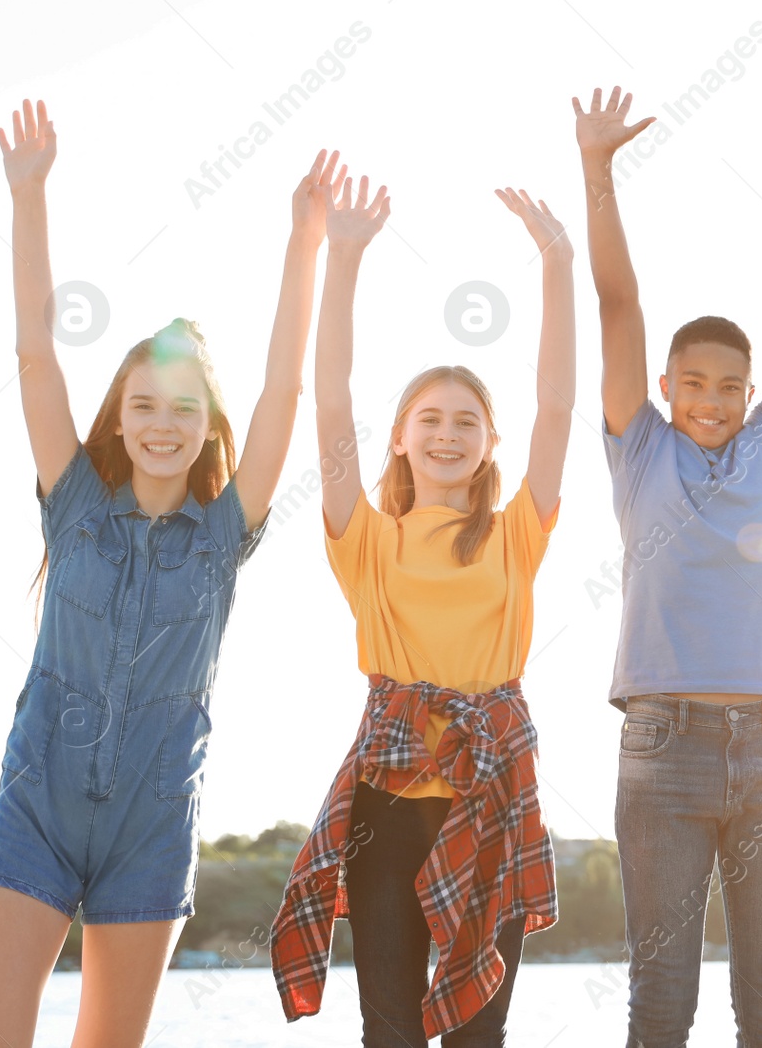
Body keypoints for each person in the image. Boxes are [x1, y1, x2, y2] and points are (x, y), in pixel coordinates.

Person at [0, 99, 327, 1048]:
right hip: (35, 810)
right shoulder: (75, 502)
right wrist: (29, 195)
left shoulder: (220, 535)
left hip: (150, 830)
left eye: (185, 406)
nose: (164, 423)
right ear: (119, 416)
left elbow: (284, 388)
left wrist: (305, 241)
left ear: (208, 423)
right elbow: (36, 355)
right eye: (144, 403)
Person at [574, 83, 762, 1046]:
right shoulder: (640, 450)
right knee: (663, 997)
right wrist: (598, 170)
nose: (712, 400)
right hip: (664, 747)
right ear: (664, 386)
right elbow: (618, 301)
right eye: (693, 383)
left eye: (729, 386)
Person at [269, 176, 574, 1047]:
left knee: (479, 1033)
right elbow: (329, 403)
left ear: (489, 446)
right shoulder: (365, 539)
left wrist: (556, 264)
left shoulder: (517, 534)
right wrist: (347, 257)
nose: (447, 432)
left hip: (494, 789)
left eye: (467, 421)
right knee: (391, 1029)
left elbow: (557, 405)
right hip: (388, 802)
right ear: (400, 433)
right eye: (429, 418)